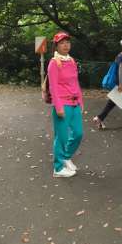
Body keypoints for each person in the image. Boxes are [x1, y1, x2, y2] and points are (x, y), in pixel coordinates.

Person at [48, 32, 84, 178]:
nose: (65, 45)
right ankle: (58, 168)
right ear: (56, 46)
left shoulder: (71, 61)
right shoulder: (54, 63)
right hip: (63, 103)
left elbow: (75, 82)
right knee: (62, 136)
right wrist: (58, 107)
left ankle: (66, 157)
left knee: (78, 133)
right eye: (62, 43)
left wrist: (81, 101)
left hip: (75, 102)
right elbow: (53, 87)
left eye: (68, 42)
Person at [93, 37, 122, 128]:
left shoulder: (119, 55)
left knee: (112, 102)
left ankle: (99, 118)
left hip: (117, 83)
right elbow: (120, 72)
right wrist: (121, 84)